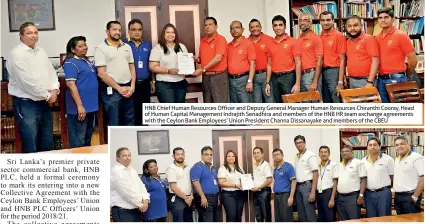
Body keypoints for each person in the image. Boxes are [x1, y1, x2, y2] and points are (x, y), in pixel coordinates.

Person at [6, 22, 59, 153]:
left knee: (47, 143)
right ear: (21, 36)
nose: (33, 36)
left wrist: (55, 89)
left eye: (35, 32)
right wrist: (48, 95)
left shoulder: (41, 51)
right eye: (29, 33)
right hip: (26, 104)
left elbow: (51, 72)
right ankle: (31, 173)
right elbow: (27, 81)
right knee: (30, 144)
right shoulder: (16, 54)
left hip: (44, 103)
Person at [95, 21, 136, 126]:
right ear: (107, 31)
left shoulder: (127, 47)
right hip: (111, 92)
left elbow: (132, 68)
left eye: (119, 30)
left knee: (129, 122)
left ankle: (129, 143)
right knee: (114, 123)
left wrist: (132, 87)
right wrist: (119, 88)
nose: (117, 32)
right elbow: (101, 73)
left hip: (128, 89)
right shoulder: (101, 48)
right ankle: (115, 143)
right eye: (114, 29)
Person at [375, 8, 418, 102]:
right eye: (380, 18)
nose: (383, 20)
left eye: (386, 17)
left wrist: (407, 74)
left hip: (397, 78)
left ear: (393, 19)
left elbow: (413, 60)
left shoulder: (401, 35)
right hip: (381, 79)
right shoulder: (377, 37)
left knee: (398, 110)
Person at [63, 36, 98, 148]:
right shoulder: (70, 63)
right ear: (73, 49)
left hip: (91, 107)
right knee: (79, 141)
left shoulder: (88, 61)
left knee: (87, 139)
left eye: (85, 45)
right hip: (79, 108)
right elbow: (70, 85)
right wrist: (80, 106)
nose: (84, 48)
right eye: (80, 46)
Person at [193, 17, 229, 103]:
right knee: (208, 103)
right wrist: (197, 59)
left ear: (216, 26)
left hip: (218, 77)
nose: (207, 27)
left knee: (220, 103)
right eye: (205, 25)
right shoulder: (203, 41)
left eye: (210, 24)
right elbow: (201, 59)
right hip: (206, 77)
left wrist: (202, 69)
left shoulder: (221, 39)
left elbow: (218, 58)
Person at [149, 23, 188, 103]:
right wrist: (169, 71)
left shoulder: (182, 47)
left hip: (181, 83)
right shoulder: (157, 48)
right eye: (168, 32)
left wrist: (187, 69)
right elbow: (152, 67)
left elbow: (186, 64)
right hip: (164, 85)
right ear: (163, 34)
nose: (171, 34)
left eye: (173, 32)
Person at [268, 15, 301, 103]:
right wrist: (267, 83)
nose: (278, 28)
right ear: (272, 27)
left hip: (289, 77)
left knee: (292, 104)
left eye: (280, 25)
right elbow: (269, 64)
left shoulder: (293, 41)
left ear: (285, 26)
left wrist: (297, 83)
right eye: (275, 25)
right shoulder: (270, 43)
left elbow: (298, 63)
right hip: (274, 78)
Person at [126, 19, 153, 125]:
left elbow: (151, 64)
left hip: (144, 84)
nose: (137, 32)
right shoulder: (124, 44)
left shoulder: (147, 45)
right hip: (129, 84)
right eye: (134, 29)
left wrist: (153, 81)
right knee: (130, 114)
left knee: (144, 114)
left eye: (139, 30)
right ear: (129, 31)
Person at [111, 147, 150, 222]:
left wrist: (146, 200)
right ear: (117, 158)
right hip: (124, 211)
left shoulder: (132, 170)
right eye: (124, 156)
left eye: (129, 155)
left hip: (136, 209)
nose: (128, 158)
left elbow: (141, 186)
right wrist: (141, 205)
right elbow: (126, 193)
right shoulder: (116, 171)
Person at [362, 137, 394, 218]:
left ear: (379, 146)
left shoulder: (388, 159)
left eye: (375, 145)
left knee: (384, 217)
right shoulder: (363, 161)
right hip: (368, 194)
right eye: (370, 145)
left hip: (383, 193)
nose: (372, 147)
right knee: (371, 217)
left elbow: (392, 176)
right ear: (367, 147)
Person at [346, 15, 380, 89]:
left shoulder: (369, 39)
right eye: (349, 26)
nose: (352, 28)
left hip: (366, 80)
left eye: (355, 25)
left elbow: (376, 61)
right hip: (352, 80)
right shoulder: (348, 42)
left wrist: (370, 81)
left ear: (361, 26)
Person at [319, 11, 346, 103]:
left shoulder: (339, 36)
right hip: (321, 72)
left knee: (336, 100)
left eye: (328, 20)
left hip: (334, 71)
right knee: (326, 100)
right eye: (323, 20)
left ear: (333, 21)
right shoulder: (319, 36)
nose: (325, 22)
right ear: (320, 22)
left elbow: (343, 60)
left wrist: (340, 81)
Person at [393, 136, 424, 214]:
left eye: (402, 144)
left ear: (408, 145)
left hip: (410, 196)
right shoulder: (397, 159)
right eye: (397, 145)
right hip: (398, 197)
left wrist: (415, 196)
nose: (399, 146)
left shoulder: (417, 158)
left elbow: (423, 178)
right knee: (401, 220)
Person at [227, 20, 256, 103]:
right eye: (232, 28)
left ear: (242, 29)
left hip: (243, 80)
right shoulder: (228, 46)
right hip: (231, 80)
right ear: (230, 32)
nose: (234, 30)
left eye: (237, 27)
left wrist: (250, 81)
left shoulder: (248, 44)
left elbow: (253, 64)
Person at [336, 145, 366, 221]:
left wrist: (361, 195)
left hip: (352, 197)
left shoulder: (358, 163)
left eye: (346, 151)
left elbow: (364, 180)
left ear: (352, 152)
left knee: (354, 220)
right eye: (342, 152)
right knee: (342, 220)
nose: (344, 153)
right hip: (340, 198)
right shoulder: (339, 165)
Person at [248, 19, 274, 103]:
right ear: (249, 29)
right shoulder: (246, 42)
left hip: (266, 75)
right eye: (252, 27)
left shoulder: (269, 39)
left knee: (270, 101)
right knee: (256, 102)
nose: (255, 29)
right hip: (253, 76)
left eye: (257, 26)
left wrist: (267, 81)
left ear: (261, 27)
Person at [190, 146, 219, 222]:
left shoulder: (212, 167)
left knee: (215, 219)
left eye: (211, 154)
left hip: (214, 197)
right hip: (204, 197)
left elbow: (214, 183)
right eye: (206, 154)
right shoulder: (197, 166)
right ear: (202, 155)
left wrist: (217, 197)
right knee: (207, 220)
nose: (209, 156)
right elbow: (195, 182)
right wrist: (202, 197)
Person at [297, 13, 323, 95]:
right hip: (301, 75)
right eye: (300, 20)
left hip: (311, 75)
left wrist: (315, 81)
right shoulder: (299, 38)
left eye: (305, 20)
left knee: (314, 102)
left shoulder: (316, 38)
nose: (302, 23)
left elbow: (320, 61)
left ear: (310, 23)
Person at [293, 135, 318, 222]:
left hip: (307, 186)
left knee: (309, 213)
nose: (298, 144)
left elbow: (315, 173)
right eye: (296, 143)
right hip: (298, 187)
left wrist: (313, 192)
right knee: (301, 213)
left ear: (305, 143)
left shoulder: (310, 155)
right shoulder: (297, 156)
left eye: (300, 142)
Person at [165, 147, 193, 222]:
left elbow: (190, 183)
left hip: (188, 198)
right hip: (177, 199)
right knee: (179, 220)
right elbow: (173, 187)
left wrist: (191, 196)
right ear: (173, 156)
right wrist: (185, 198)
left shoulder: (188, 167)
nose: (180, 156)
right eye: (178, 154)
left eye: (182, 154)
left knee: (189, 220)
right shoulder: (171, 169)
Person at [217, 150, 246, 222]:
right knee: (231, 216)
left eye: (233, 156)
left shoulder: (239, 168)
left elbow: (244, 180)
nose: (231, 157)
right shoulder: (223, 168)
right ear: (226, 158)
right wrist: (235, 185)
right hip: (228, 195)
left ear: (235, 157)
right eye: (229, 156)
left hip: (240, 194)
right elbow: (221, 183)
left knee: (238, 216)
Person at [272, 148, 296, 222]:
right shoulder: (275, 169)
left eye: (278, 154)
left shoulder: (288, 166)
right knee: (278, 218)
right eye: (274, 155)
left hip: (285, 195)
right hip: (276, 196)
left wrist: (291, 197)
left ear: (282, 155)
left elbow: (294, 181)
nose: (276, 156)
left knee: (286, 218)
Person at [316, 146, 338, 222]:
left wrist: (332, 199)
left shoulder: (333, 164)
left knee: (329, 217)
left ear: (329, 154)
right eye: (321, 152)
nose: (323, 154)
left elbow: (335, 182)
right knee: (321, 217)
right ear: (319, 154)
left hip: (328, 194)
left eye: (325, 152)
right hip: (319, 194)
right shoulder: (317, 165)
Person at [252, 146, 273, 222]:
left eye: (258, 153)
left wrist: (258, 187)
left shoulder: (266, 165)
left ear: (262, 154)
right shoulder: (255, 165)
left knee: (266, 214)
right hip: (256, 193)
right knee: (258, 215)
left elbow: (270, 180)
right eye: (254, 153)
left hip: (264, 192)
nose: (256, 154)